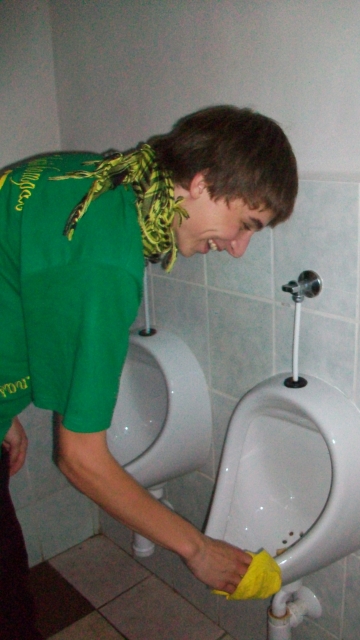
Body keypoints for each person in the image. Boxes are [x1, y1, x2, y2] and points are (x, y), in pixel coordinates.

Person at [0, 105, 298, 638]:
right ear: (202, 184)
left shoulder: (96, 177)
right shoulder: (105, 260)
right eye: (244, 225)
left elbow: (15, 281)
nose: (237, 249)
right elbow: (80, 459)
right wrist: (197, 549)